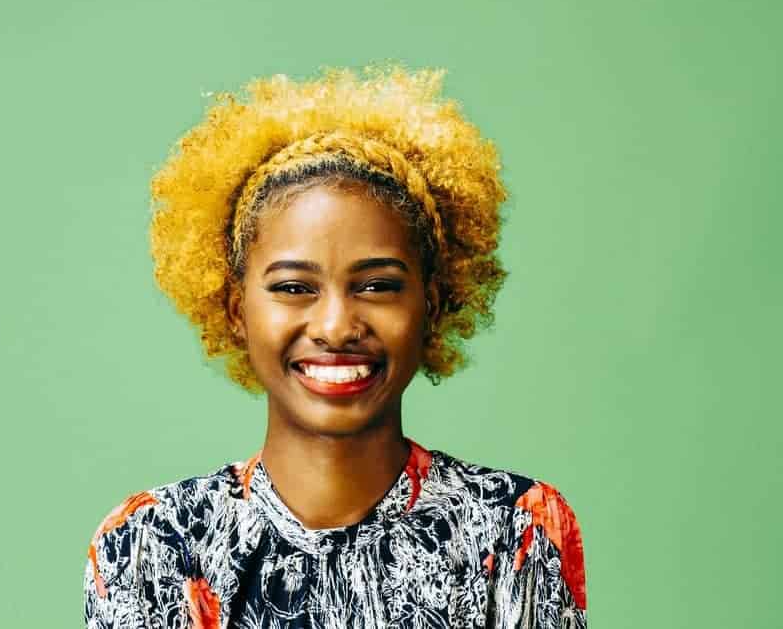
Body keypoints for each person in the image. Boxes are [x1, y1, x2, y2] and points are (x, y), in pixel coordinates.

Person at [84, 67, 587, 628]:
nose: (336, 325)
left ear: (435, 304)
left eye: (377, 286)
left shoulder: (513, 530)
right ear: (235, 311)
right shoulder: (151, 545)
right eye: (294, 288)